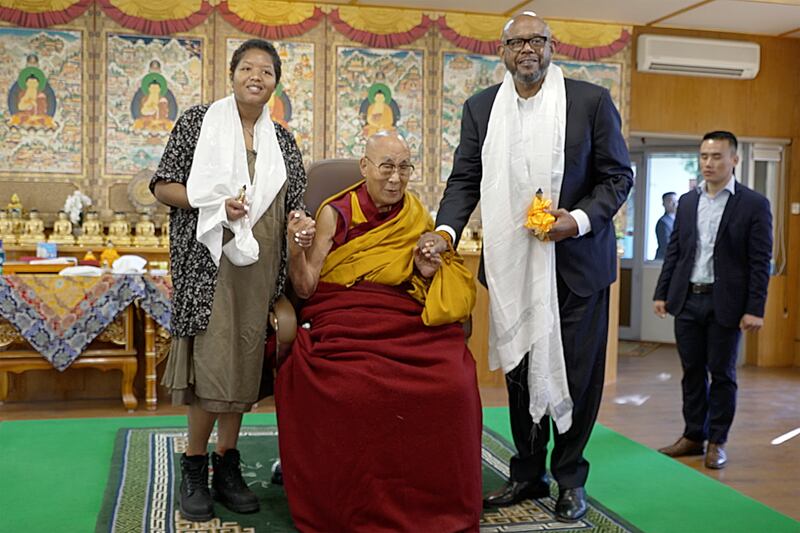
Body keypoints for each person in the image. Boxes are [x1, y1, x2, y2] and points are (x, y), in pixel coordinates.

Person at [419, 12, 633, 522]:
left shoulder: (590, 102)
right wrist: (445, 233)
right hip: (512, 265)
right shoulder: (481, 109)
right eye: (517, 42)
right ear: (503, 51)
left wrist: (576, 220)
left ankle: (570, 478)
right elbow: (465, 179)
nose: (527, 50)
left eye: (537, 40)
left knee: (578, 377)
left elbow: (617, 177)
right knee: (518, 369)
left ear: (551, 46)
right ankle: (527, 471)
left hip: (577, 265)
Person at [276, 131, 483, 532]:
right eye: (386, 167)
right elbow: (306, 286)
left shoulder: (415, 212)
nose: (395, 178)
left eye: (404, 167)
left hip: (402, 311)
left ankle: (434, 501)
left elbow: (423, 269)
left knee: (454, 380)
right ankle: (351, 505)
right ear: (365, 167)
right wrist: (294, 247)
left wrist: (427, 266)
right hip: (345, 311)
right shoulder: (336, 212)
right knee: (350, 386)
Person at [149, 39, 307, 522]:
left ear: (276, 83)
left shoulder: (282, 139)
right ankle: (194, 463)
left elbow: (295, 198)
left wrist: (300, 221)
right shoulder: (199, 123)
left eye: (266, 70)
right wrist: (212, 203)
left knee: (241, 362)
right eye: (247, 68)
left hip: (260, 269)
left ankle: (228, 463)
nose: (256, 76)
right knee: (212, 363)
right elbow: (163, 186)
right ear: (232, 73)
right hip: (207, 264)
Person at [653, 131, 771, 469]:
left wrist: (754, 308)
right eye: (704, 156)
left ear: (734, 160)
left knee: (721, 374)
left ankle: (717, 440)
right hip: (688, 300)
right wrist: (662, 293)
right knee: (691, 371)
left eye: (717, 156)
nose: (709, 163)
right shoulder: (688, 202)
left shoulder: (753, 204)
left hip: (727, 305)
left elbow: (759, 261)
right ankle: (693, 435)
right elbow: (675, 252)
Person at [655, 192, 677, 259]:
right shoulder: (663, 222)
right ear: (664, 204)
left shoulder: (677, 220)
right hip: (664, 260)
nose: (674, 204)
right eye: (670, 201)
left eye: (676, 201)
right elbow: (666, 246)